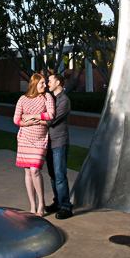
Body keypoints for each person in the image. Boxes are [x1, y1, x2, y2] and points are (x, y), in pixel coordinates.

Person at [13, 72, 55, 215]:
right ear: (34, 84)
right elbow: (16, 119)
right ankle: (32, 205)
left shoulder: (47, 97)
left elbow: (50, 115)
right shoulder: (23, 99)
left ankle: (41, 205)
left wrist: (31, 116)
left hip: (40, 139)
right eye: (41, 83)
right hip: (24, 138)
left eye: (45, 83)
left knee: (35, 170)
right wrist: (24, 123)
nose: (44, 86)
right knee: (27, 171)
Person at [45, 72, 73, 219]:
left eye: (50, 81)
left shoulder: (64, 100)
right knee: (52, 175)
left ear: (58, 83)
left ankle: (66, 207)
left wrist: (33, 119)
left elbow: (52, 120)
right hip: (49, 142)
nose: (48, 83)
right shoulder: (50, 99)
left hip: (59, 142)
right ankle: (57, 202)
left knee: (60, 175)